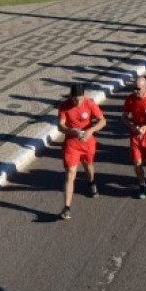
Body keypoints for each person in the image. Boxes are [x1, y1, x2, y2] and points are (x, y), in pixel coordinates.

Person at [57, 83, 107, 220]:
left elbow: (103, 121)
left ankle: (91, 183)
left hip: (88, 143)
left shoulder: (90, 104)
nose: (76, 102)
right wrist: (70, 131)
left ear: (83, 96)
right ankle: (66, 208)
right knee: (70, 173)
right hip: (71, 144)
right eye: (74, 99)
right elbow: (60, 126)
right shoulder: (64, 106)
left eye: (78, 99)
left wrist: (90, 130)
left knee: (88, 166)